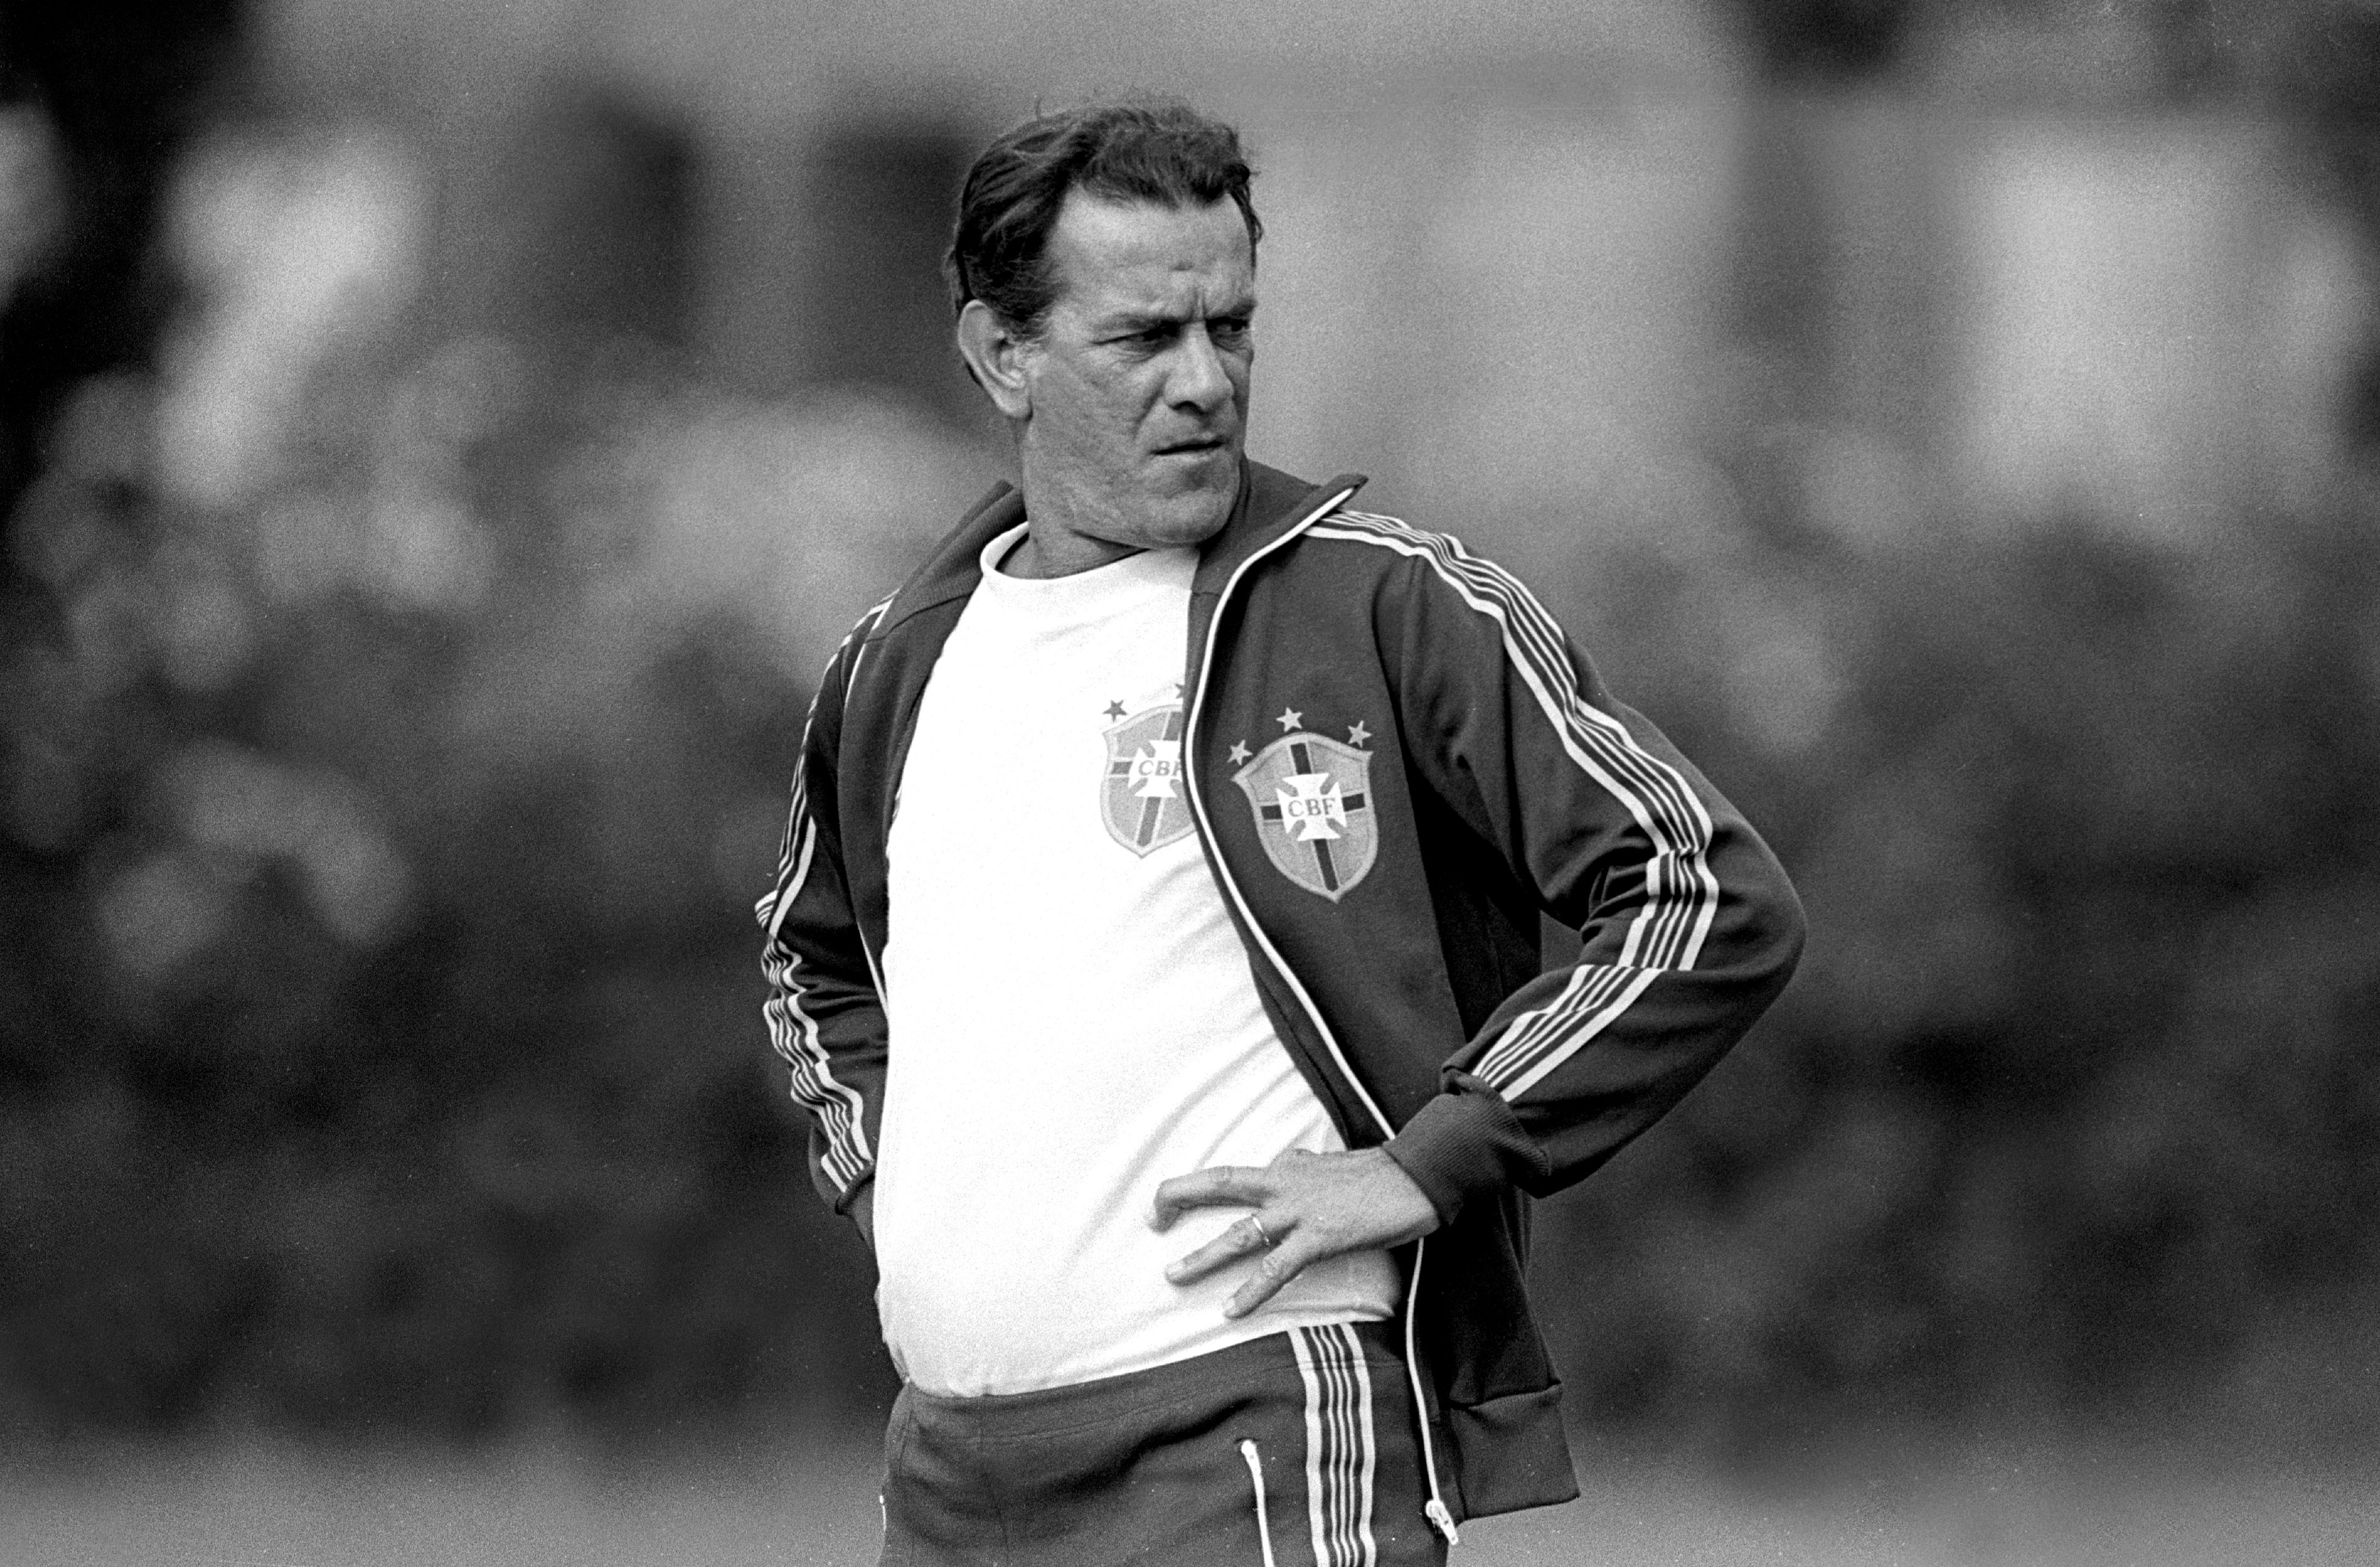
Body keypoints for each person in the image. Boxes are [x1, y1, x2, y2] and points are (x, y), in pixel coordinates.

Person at [757, 98, 1804, 1567]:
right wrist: (891, 1181)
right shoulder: (895, 664)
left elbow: (1702, 892)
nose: (1204, 381)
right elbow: (809, 961)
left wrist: (1431, 1156)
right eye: (1144, 338)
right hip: (947, 1473)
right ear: (1001, 354)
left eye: (1231, 328)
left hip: (1251, 1432)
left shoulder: (1383, 606)